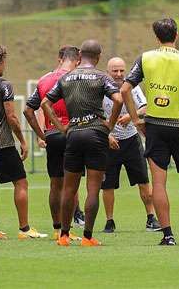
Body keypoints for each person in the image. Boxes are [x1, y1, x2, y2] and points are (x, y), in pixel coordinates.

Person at [121, 18, 179, 246]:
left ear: (156, 37)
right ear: (177, 35)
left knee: (159, 183)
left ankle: (168, 236)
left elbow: (125, 89)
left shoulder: (145, 58)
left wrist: (135, 119)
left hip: (155, 125)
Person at [42, 39, 124, 247]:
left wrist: (61, 128)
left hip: (73, 133)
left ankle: (63, 235)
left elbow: (45, 103)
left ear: (79, 57)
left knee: (69, 188)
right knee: (93, 188)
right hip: (95, 133)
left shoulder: (67, 78)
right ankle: (87, 237)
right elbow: (119, 99)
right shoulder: (101, 77)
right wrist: (109, 126)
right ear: (98, 57)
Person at [0, 45, 46, 240]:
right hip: (4, 142)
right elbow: (11, 117)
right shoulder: (3, 84)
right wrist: (23, 141)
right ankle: (24, 229)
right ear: (0, 62)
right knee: (21, 182)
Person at [24, 45, 82, 239]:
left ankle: (57, 229)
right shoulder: (76, 79)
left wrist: (42, 134)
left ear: (60, 59)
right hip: (72, 134)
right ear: (78, 61)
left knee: (55, 184)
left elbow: (27, 110)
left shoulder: (43, 80)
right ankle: (67, 230)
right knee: (71, 185)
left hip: (52, 135)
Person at [101, 56, 161, 234]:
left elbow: (145, 106)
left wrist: (130, 115)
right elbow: (95, 114)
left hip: (132, 140)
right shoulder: (101, 89)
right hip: (109, 141)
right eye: (115, 71)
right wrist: (107, 135)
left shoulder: (132, 88)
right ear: (108, 72)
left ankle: (151, 218)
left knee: (143, 180)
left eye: (121, 70)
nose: (119, 74)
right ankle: (109, 221)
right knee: (108, 184)